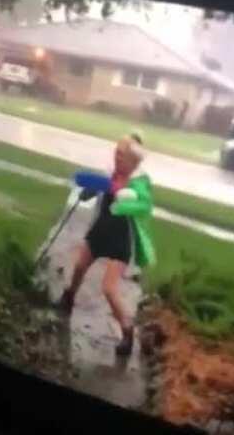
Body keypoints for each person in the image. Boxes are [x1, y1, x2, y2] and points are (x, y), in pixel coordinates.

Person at [59, 133, 155, 357]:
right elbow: (96, 193)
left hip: (120, 239)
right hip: (100, 230)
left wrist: (122, 194)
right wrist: (88, 192)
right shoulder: (109, 174)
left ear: (134, 160)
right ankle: (68, 298)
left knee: (109, 289)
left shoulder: (138, 184)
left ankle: (127, 331)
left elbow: (140, 206)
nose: (117, 157)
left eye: (122, 155)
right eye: (116, 152)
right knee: (80, 266)